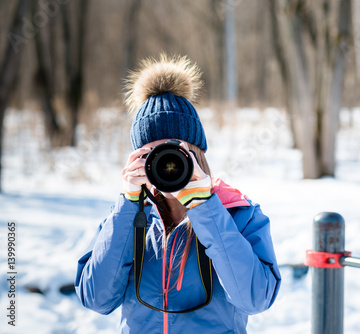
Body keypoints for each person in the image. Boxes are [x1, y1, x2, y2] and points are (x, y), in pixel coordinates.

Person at [74, 54, 281, 333]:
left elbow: (256, 299)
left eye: (173, 152)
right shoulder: (128, 217)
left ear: (196, 154)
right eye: (152, 154)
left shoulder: (239, 213)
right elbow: (96, 299)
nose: (165, 165)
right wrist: (128, 205)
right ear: (137, 160)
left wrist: (205, 207)